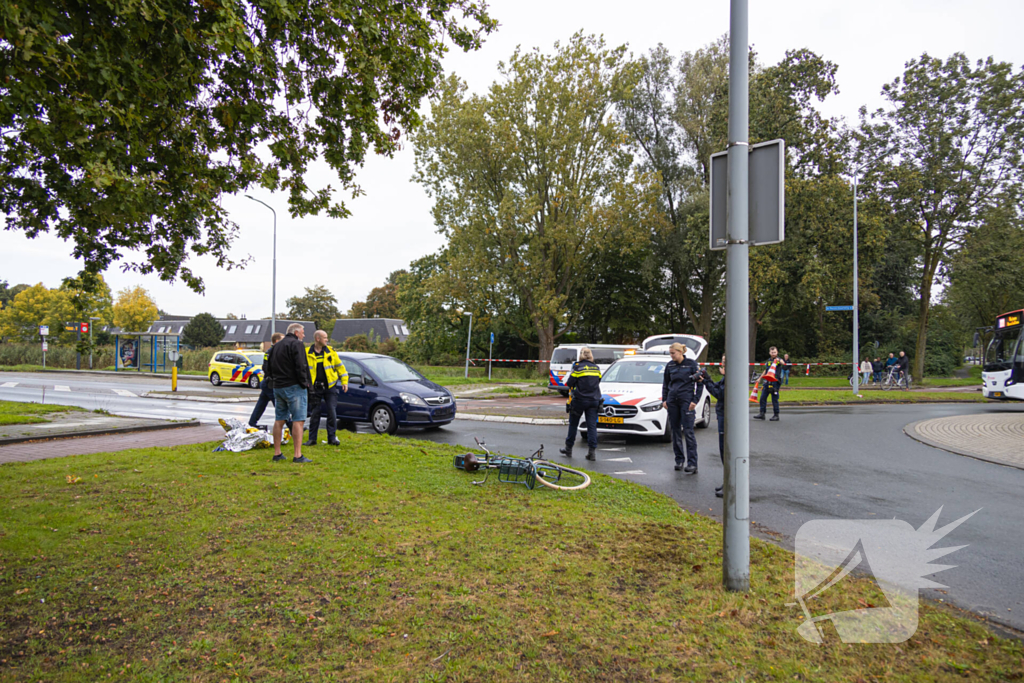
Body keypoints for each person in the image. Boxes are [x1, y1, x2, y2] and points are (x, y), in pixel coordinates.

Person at [269, 323, 312, 463]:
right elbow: (301, 365)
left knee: (279, 419)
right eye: (303, 332)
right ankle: (298, 455)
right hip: (294, 387)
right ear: (297, 332)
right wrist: (305, 383)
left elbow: (268, 366)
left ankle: (277, 453)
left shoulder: (276, 346)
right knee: (298, 420)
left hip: (278, 386)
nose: (304, 335)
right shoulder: (297, 345)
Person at [662, 342, 703, 473]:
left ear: (681, 352)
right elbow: (666, 383)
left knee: (689, 431)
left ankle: (692, 463)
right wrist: (664, 399)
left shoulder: (691, 364)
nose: (671, 356)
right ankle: (679, 459)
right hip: (672, 401)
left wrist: (695, 400)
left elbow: (700, 383)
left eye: (673, 353)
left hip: (687, 401)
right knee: (675, 431)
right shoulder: (670, 365)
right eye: (670, 353)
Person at [303, 330, 349, 447]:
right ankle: (312, 439)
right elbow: (302, 369)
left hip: (330, 387)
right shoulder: (307, 352)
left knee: (331, 412)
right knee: (315, 413)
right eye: (325, 337)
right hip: (315, 388)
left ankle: (332, 438)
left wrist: (344, 382)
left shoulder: (331, 352)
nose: (327, 340)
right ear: (318, 338)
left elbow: (341, 368)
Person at [559, 347, 602, 460]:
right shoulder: (596, 368)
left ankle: (568, 449)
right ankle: (592, 453)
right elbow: (598, 381)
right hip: (594, 400)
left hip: (579, 400)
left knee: (573, 424)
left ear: (581, 355)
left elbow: (569, 383)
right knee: (592, 426)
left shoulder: (578, 368)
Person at [700, 355, 726, 497]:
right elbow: (717, 386)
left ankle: (731, 484)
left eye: (724, 360)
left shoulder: (732, 376)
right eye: (721, 360)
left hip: (727, 417)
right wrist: (707, 379)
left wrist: (706, 383)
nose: (722, 363)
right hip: (723, 415)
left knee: (726, 451)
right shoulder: (726, 376)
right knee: (723, 451)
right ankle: (728, 480)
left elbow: (719, 393)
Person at [248, 332, 285, 428]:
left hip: (268, 383)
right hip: (270, 383)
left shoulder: (275, 351)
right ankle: (291, 426)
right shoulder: (271, 352)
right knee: (279, 406)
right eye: (282, 339)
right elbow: (266, 367)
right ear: (277, 341)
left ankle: (252, 423)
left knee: (261, 405)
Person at [753, 346, 783, 421]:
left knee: (774, 399)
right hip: (767, 381)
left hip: (775, 381)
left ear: (777, 352)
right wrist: (759, 378)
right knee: (763, 397)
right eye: (772, 352)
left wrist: (778, 359)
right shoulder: (769, 361)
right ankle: (762, 413)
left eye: (775, 352)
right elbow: (766, 370)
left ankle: (776, 415)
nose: (773, 354)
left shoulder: (778, 360)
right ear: (769, 353)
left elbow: (783, 363)